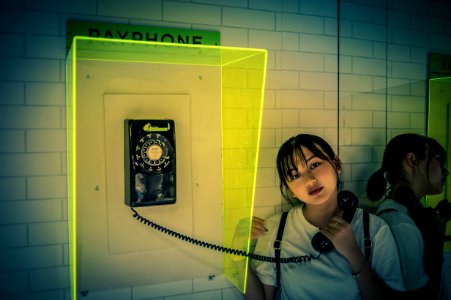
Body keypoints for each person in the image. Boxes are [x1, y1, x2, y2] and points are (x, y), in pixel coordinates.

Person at [246, 134, 404, 300]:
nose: (309, 180)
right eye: (295, 175)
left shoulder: (374, 229)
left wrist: (353, 253)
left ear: (336, 164)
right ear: (290, 189)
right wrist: (236, 257)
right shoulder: (276, 227)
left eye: (315, 165)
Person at [366, 133, 450, 299]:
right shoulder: (398, 222)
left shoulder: (409, 211)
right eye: (439, 161)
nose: (445, 172)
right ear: (412, 160)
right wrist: (437, 240)